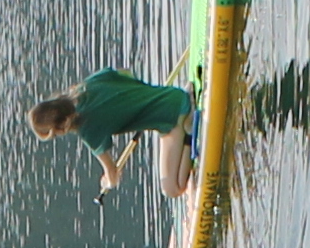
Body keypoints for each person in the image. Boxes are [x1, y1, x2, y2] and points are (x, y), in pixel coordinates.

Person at [27, 71, 199, 195]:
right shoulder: (87, 84)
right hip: (173, 95)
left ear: (63, 124)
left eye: (56, 134)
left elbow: (112, 172)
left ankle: (188, 132)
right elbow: (126, 74)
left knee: (172, 189)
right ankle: (185, 104)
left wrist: (108, 183)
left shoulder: (87, 130)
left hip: (172, 119)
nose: (60, 135)